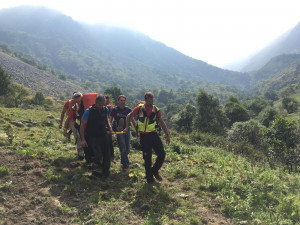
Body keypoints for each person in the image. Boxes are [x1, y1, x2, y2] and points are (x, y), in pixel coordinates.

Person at [125, 92, 170, 184]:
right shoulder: (139, 109)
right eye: (149, 101)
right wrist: (127, 127)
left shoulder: (156, 110)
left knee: (162, 154)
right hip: (144, 136)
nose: (150, 103)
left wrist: (167, 135)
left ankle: (154, 170)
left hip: (153, 134)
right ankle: (150, 179)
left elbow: (162, 122)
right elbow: (129, 116)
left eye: (152, 101)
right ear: (145, 100)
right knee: (147, 158)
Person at [80, 94, 112, 178]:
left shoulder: (105, 110)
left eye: (102, 105)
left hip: (103, 134)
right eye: (99, 105)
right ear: (96, 102)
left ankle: (105, 172)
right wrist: (83, 139)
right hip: (93, 136)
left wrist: (110, 127)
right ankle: (95, 166)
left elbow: (106, 119)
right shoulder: (89, 111)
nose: (100, 107)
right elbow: (82, 125)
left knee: (107, 154)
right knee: (98, 155)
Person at [109, 95, 137, 171]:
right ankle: (126, 165)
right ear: (118, 101)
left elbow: (132, 120)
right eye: (121, 100)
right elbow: (110, 120)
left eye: (124, 100)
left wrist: (137, 130)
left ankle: (123, 159)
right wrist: (110, 128)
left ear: (125, 101)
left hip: (127, 130)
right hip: (119, 131)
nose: (122, 102)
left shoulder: (128, 109)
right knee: (123, 148)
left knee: (127, 148)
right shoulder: (114, 110)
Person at [63, 92, 85, 160]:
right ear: (74, 101)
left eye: (80, 101)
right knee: (78, 137)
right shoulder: (74, 107)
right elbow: (69, 117)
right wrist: (64, 129)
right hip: (77, 124)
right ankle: (81, 153)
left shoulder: (86, 105)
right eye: (76, 101)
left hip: (86, 124)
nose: (78, 103)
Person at [105, 96, 116, 163]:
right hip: (102, 128)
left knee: (109, 142)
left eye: (108, 101)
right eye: (106, 101)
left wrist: (110, 127)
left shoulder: (109, 108)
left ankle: (111, 157)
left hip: (108, 127)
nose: (107, 102)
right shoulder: (99, 108)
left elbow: (110, 118)